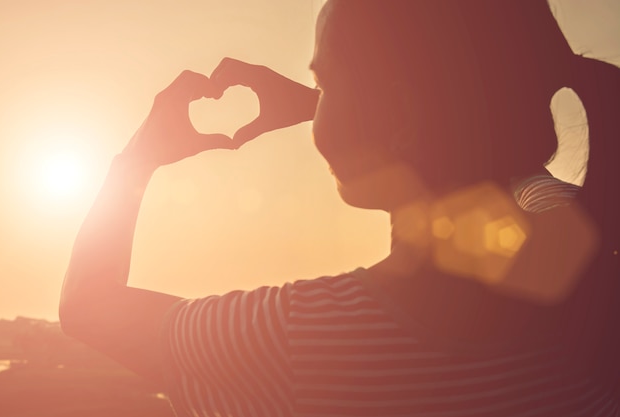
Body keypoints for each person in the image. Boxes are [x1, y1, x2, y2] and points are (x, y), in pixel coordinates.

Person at [59, 1, 620, 415]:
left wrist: (136, 160)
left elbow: (87, 305)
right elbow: (505, 164)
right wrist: (351, 115)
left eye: (325, 80)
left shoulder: (304, 340)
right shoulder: (586, 279)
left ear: (399, 114)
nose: (318, 101)